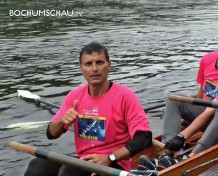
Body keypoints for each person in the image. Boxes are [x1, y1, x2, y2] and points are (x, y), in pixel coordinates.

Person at [24, 42, 153, 176]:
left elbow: (144, 138)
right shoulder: (74, 96)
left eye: (99, 62)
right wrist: (62, 121)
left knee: (70, 171)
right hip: (84, 161)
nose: (94, 68)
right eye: (88, 64)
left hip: (114, 164)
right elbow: (51, 134)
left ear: (109, 66)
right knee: (38, 165)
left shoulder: (126, 96)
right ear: (81, 69)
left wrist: (110, 158)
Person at [161, 32, 218, 159]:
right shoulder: (207, 59)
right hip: (209, 115)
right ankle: (168, 149)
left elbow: (210, 112)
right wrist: (189, 120)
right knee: (174, 99)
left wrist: (183, 136)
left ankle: (194, 156)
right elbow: (201, 93)